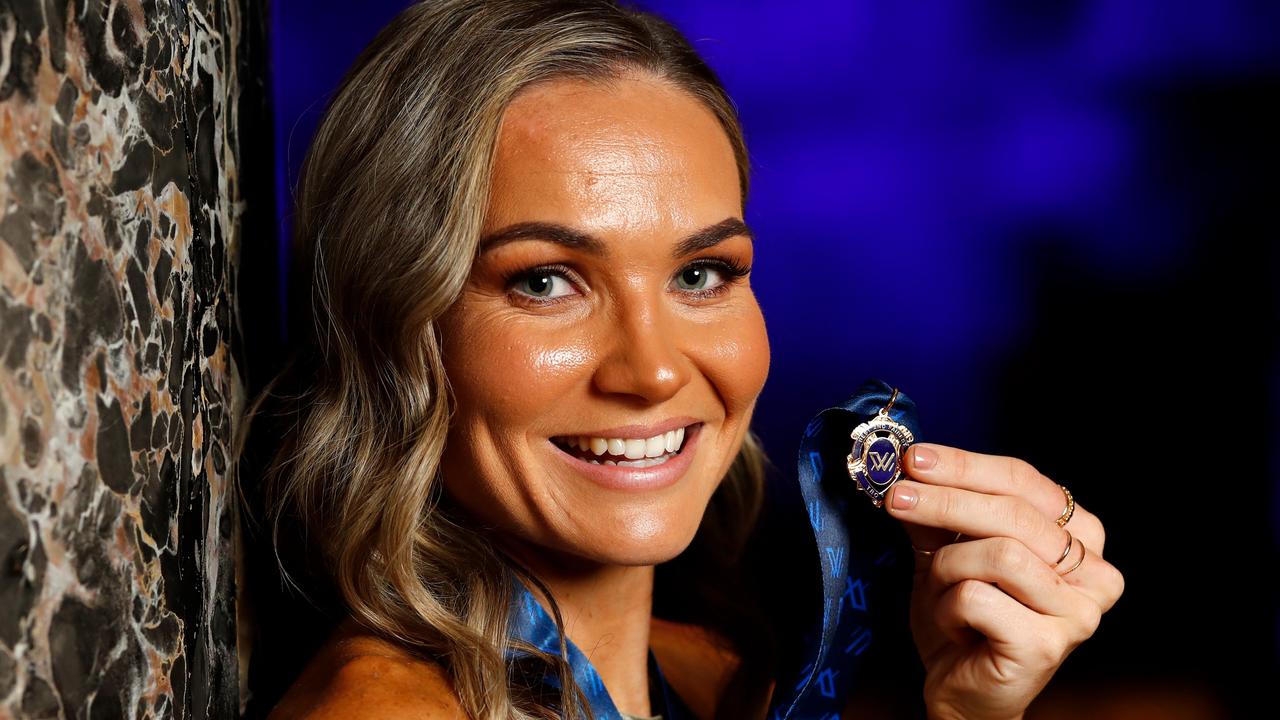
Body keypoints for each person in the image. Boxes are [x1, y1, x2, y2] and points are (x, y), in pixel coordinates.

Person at [245, 1, 1124, 718]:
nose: (656, 371)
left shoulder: (714, 678)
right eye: (547, 281)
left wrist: (968, 714)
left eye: (702, 273)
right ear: (394, 322)